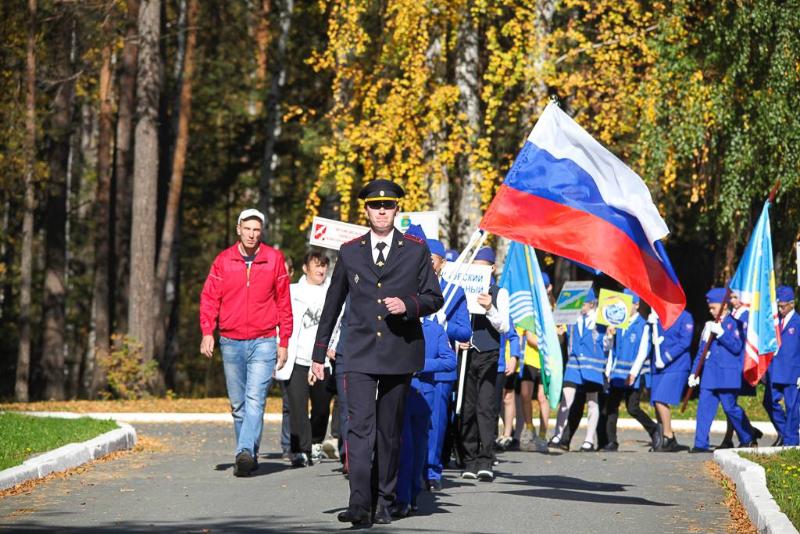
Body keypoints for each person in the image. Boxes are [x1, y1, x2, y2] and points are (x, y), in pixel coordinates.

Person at [310, 179, 443, 526]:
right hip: (358, 352)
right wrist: (318, 353)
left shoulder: (415, 249)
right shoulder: (350, 251)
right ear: (366, 210)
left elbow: (434, 297)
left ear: (397, 209)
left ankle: (385, 501)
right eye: (375, 205)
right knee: (358, 429)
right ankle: (359, 503)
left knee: (388, 432)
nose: (381, 211)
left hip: (399, 352)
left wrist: (409, 304)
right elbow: (333, 302)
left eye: (387, 205)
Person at [199, 208, 293, 477]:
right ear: (238, 230)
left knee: (255, 399)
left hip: (264, 339)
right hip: (231, 340)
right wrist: (207, 331)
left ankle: (244, 451)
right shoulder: (223, 260)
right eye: (247, 229)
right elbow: (210, 298)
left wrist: (284, 341)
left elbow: (284, 302)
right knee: (238, 405)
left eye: (256, 230)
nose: (252, 234)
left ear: (261, 233)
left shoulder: (274, 259)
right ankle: (249, 454)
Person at [421, 235, 471, 491]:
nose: (428, 264)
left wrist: (444, 324)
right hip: (412, 364)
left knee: (436, 422)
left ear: (442, 263)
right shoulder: (410, 287)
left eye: (432, 260)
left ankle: (432, 471)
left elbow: (465, 331)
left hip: (439, 369)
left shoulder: (454, 292)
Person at [276, 251, 334, 467]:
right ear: (305, 268)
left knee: (321, 407)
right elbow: (280, 321)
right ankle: (300, 449)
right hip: (297, 359)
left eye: (324, 265)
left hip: (322, 360)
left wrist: (333, 346)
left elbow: (339, 322)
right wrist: (280, 348)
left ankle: (316, 441)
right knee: (297, 407)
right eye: (316, 265)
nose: (321, 269)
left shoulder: (333, 291)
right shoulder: (292, 292)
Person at [394, 317, 457, 517]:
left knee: (418, 448)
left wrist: (421, 364)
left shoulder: (434, 329)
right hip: (397, 392)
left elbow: (450, 361)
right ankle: (401, 498)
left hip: (423, 396)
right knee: (403, 447)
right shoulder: (395, 323)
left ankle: (412, 494)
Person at [459, 247, 510, 481]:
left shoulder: (500, 293)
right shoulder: (464, 289)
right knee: (467, 408)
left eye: (483, 267)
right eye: (475, 267)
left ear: (492, 269)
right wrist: (459, 339)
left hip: (488, 354)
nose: (478, 271)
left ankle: (486, 459)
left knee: (485, 407)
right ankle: (469, 459)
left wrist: (490, 307)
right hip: (467, 353)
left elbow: (504, 326)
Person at [690, 287, 756, 453]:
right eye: (710, 308)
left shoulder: (735, 324)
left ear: (724, 306)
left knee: (730, 408)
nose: (711, 311)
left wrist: (721, 333)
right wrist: (694, 372)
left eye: (713, 307)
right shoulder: (710, 325)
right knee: (704, 409)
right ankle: (700, 443)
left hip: (728, 374)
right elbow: (702, 351)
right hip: (710, 374)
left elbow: (737, 347)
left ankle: (748, 436)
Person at [602, 290, 661, 451]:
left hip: (633, 373)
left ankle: (654, 430)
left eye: (628, 304)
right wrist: (609, 335)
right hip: (617, 373)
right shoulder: (618, 323)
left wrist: (633, 373)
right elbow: (610, 349)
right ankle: (612, 441)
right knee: (612, 407)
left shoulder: (643, 325)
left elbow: (643, 351)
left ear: (636, 304)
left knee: (632, 408)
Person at [551, 289, 606, 452]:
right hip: (574, 365)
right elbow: (562, 335)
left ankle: (589, 440)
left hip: (592, 366)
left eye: (583, 304)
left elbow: (606, 345)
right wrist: (559, 332)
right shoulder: (571, 319)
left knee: (592, 402)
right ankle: (557, 435)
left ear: (592, 304)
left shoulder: (600, 320)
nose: (580, 307)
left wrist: (610, 335)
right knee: (566, 399)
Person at [718, 290, 762, 448]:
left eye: (735, 297)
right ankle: (740, 434)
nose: (732, 300)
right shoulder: (733, 314)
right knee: (729, 404)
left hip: (740, 364)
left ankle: (747, 435)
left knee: (729, 404)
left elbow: (742, 343)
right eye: (730, 297)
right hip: (730, 365)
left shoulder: (746, 315)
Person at [648, 307, 694, 452]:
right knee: (656, 402)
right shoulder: (659, 316)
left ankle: (669, 436)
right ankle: (662, 437)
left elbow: (685, 342)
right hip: (658, 365)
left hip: (676, 364)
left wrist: (667, 357)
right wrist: (650, 327)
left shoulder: (685, 317)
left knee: (660, 398)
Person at [763, 286, 800, 446]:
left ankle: (791, 442)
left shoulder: (798, 322)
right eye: (778, 306)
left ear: (792, 304)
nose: (780, 309)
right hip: (774, 371)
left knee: (792, 407)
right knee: (769, 402)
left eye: (783, 306)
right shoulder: (774, 322)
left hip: (793, 372)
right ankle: (787, 434)